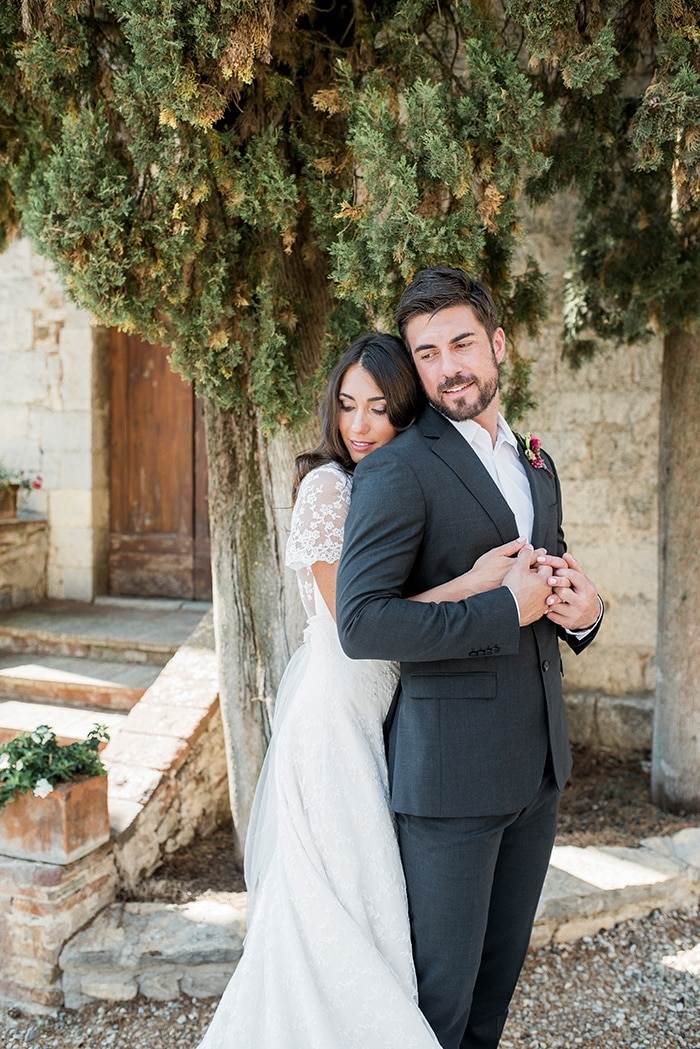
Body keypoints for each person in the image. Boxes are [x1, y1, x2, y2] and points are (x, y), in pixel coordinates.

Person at [197, 331, 561, 1049]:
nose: (359, 426)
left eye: (379, 408)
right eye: (346, 406)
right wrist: (481, 585)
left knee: (386, 920)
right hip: (338, 718)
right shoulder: (327, 489)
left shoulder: (399, 480)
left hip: (393, 715)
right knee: (334, 908)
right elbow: (355, 622)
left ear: (408, 412)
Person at [336, 267, 603, 1049]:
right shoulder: (398, 469)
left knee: (491, 1001)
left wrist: (585, 615)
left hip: (537, 773)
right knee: (436, 1009)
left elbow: (546, 589)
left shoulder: (535, 463)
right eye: (425, 353)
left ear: (497, 344)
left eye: (460, 343)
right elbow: (362, 622)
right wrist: (495, 608)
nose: (447, 366)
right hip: (450, 785)